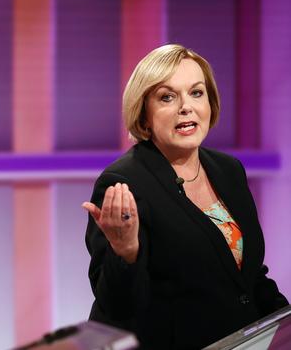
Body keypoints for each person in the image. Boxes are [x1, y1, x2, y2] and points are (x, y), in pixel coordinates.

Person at [82, 44, 288, 349]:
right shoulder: (123, 183)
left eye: (196, 93)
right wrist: (126, 252)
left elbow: (249, 278)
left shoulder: (228, 170)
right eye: (167, 97)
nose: (186, 107)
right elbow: (118, 309)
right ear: (144, 113)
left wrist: (284, 325)